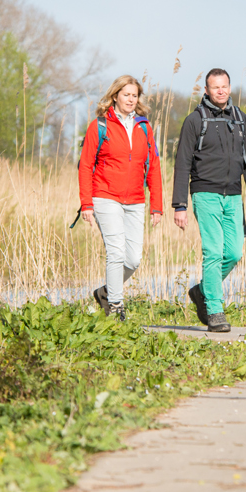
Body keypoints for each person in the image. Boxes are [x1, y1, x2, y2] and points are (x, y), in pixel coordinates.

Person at [172, 68, 246, 333]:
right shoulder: (195, 120)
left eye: (224, 86)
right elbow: (182, 163)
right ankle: (214, 310)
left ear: (229, 88)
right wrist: (180, 204)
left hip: (233, 195)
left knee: (233, 253)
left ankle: (202, 290)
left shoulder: (241, 120)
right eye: (215, 87)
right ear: (207, 90)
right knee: (213, 251)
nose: (220, 91)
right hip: (205, 193)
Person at [78, 74, 163, 321]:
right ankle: (116, 306)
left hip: (135, 200)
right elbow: (85, 165)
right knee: (115, 252)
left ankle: (105, 292)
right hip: (105, 196)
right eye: (126, 94)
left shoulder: (144, 127)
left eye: (134, 95)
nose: (131, 99)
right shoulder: (100, 126)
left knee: (133, 259)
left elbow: (153, 167)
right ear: (115, 96)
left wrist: (156, 205)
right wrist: (86, 203)